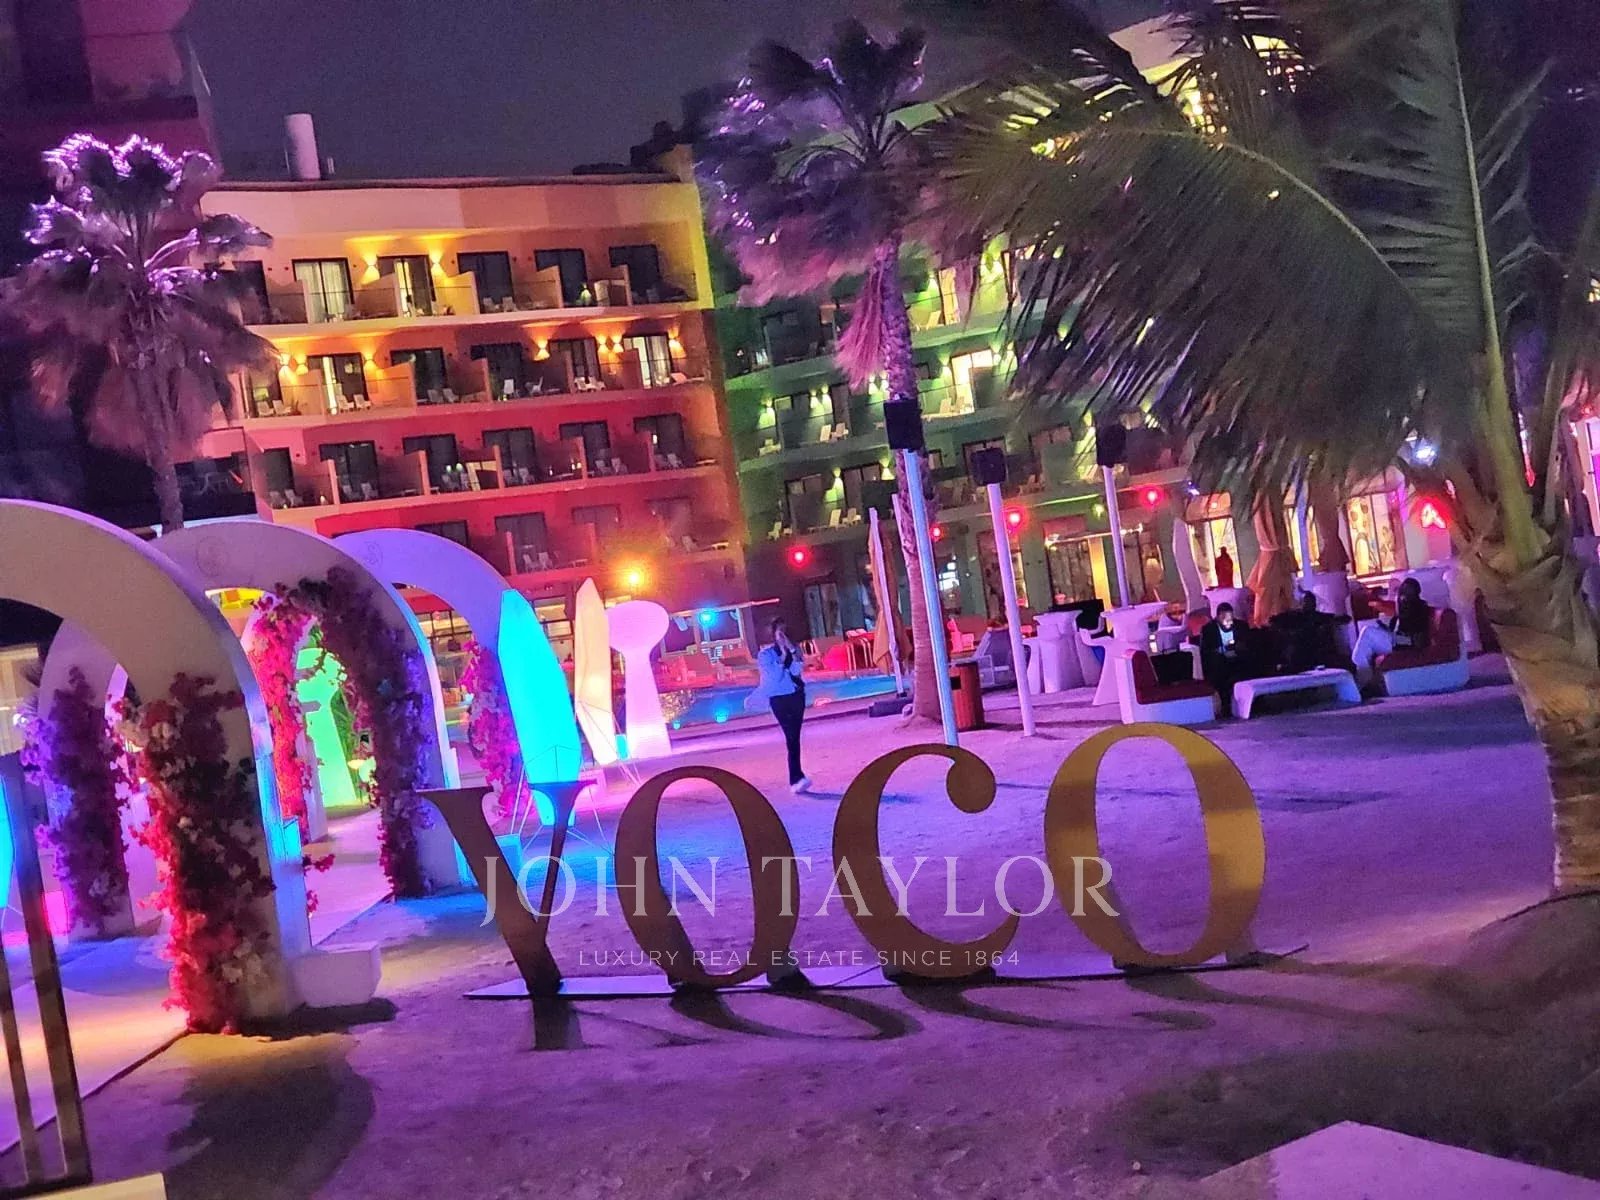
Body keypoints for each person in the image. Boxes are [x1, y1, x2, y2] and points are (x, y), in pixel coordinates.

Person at [758, 618, 812, 794]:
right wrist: (782, 655)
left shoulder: (795, 650)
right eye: (779, 632)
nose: (782, 636)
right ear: (773, 634)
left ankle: (797, 777)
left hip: (796, 696)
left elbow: (796, 671)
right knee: (791, 736)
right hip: (779, 699)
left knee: (794, 736)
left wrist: (791, 651)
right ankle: (795, 778)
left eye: (784, 632)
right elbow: (774, 676)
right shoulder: (766, 655)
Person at [1351, 577, 1434, 686]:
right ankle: (1364, 677)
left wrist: (1396, 637)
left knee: (1367, 634)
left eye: (1404, 593)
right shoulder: (1405, 608)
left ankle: (1363, 680)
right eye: (1401, 593)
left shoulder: (1419, 609)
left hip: (1403, 645)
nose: (1400, 597)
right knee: (1367, 637)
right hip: (1396, 640)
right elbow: (1399, 626)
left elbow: (1418, 639)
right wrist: (1387, 629)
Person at [1271, 591, 1354, 675]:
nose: (1310, 604)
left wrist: (1337, 620)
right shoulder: (1294, 616)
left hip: (1316, 653)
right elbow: (1274, 621)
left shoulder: (1318, 616)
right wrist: (1289, 634)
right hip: (1298, 654)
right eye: (1307, 601)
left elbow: (1343, 618)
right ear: (1302, 603)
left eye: (1312, 602)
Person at [1196, 602, 1255, 718]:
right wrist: (1221, 651)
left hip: (1239, 660)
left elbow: (1249, 645)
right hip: (1219, 662)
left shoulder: (1241, 626)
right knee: (1219, 670)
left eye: (1230, 619)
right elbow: (1206, 652)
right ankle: (1225, 706)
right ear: (1218, 617)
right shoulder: (1208, 629)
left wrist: (1238, 649)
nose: (1228, 623)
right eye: (1224, 619)